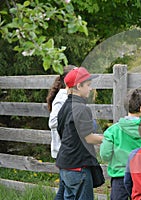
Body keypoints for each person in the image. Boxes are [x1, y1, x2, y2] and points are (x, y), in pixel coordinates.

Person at [56, 66, 103, 200]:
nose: (90, 88)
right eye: (88, 85)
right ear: (78, 86)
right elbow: (88, 138)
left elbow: (62, 132)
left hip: (65, 165)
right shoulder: (82, 109)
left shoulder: (64, 107)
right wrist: (107, 139)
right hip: (78, 166)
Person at [46, 65, 75, 200]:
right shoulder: (62, 97)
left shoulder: (68, 96)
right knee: (66, 189)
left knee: (64, 188)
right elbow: (52, 122)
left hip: (65, 150)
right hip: (63, 150)